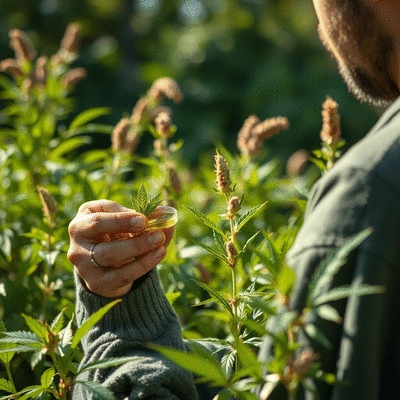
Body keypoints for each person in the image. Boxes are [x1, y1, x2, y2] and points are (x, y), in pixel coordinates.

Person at [68, 0, 400, 398]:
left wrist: (119, 329)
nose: (318, 25)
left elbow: (297, 379)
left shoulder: (368, 195)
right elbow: (280, 370)